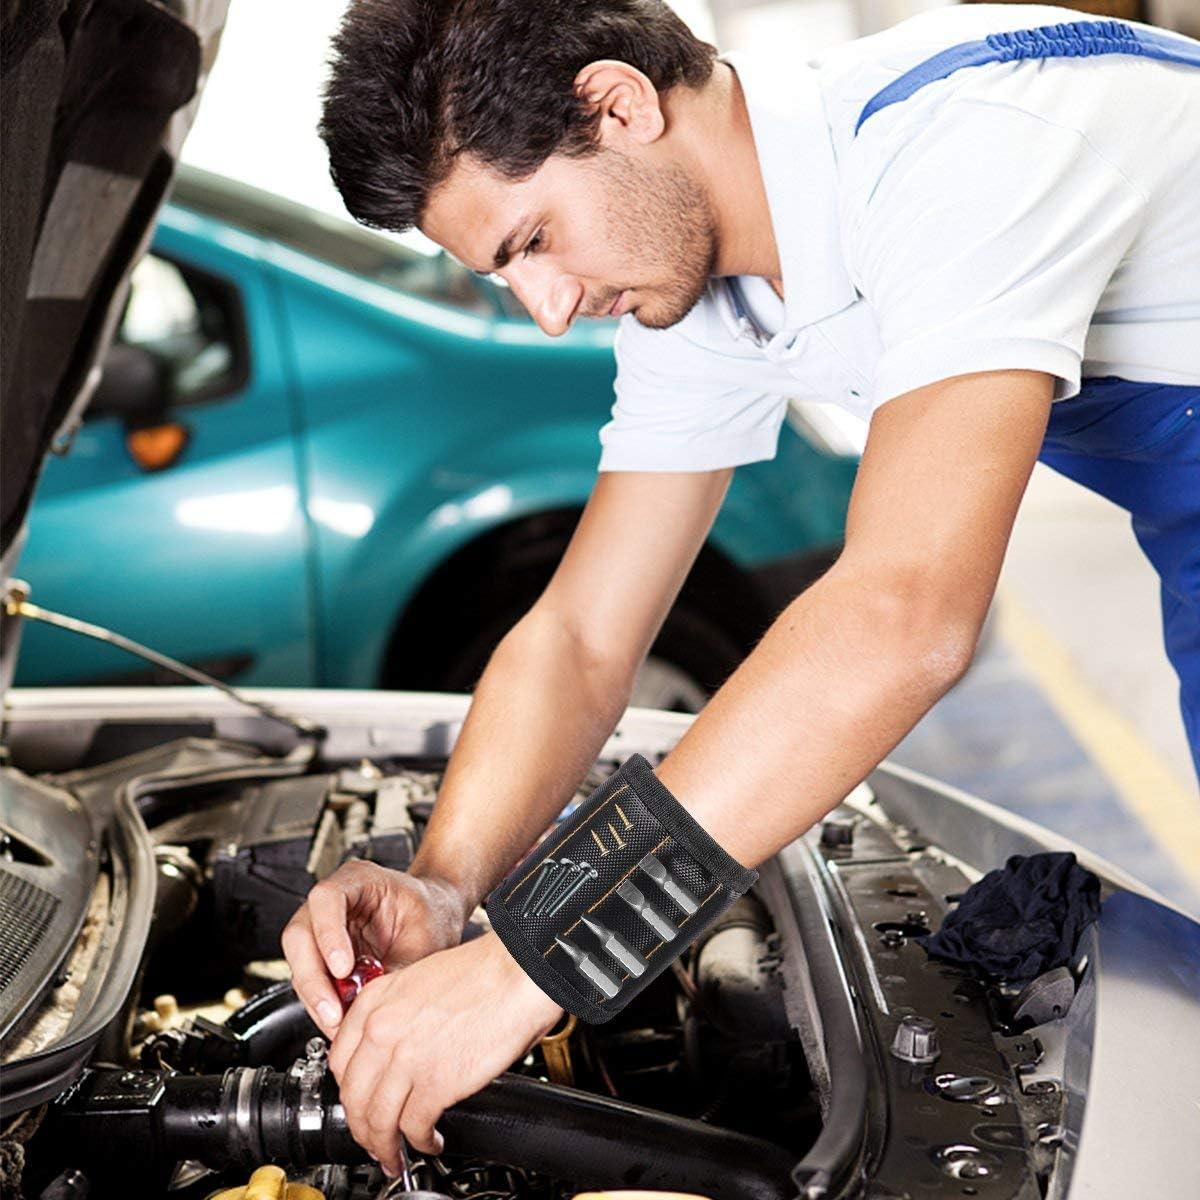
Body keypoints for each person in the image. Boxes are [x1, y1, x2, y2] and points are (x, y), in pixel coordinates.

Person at [281, 0, 1200, 1178]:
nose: (548, 308)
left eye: (532, 243)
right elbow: (579, 635)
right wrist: (449, 886)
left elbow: (902, 615)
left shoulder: (969, 150)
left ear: (621, 105)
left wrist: (532, 967)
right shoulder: (707, 284)